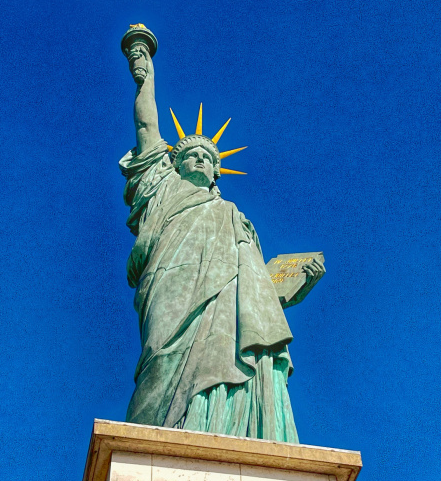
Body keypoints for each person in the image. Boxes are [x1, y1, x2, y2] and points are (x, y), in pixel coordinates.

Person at [119, 41, 324, 443]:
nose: (198, 160)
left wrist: (294, 286)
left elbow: (255, 290)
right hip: (168, 283)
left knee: (232, 355)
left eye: (206, 158)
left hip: (226, 310)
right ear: (174, 164)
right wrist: (145, 74)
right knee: (160, 358)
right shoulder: (161, 185)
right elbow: (147, 128)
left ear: (216, 171)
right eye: (190, 155)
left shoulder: (235, 217)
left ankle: (221, 426)